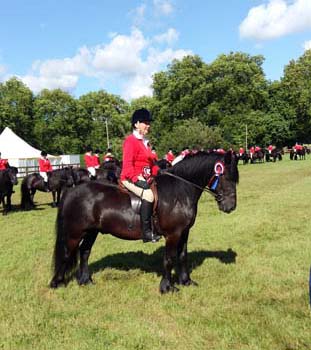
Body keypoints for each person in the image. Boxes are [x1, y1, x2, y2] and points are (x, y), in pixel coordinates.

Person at [120, 108, 161, 243]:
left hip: (146, 176)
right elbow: (127, 166)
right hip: (130, 177)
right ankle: (146, 232)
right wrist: (136, 180)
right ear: (136, 124)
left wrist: (157, 171)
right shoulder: (130, 141)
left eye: (148, 123)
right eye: (145, 122)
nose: (148, 125)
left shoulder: (145, 142)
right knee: (148, 195)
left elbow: (151, 162)